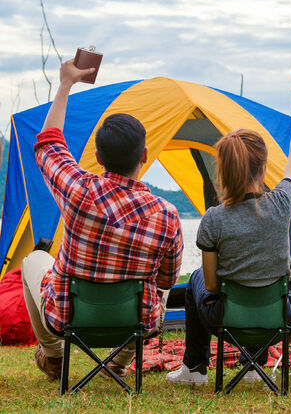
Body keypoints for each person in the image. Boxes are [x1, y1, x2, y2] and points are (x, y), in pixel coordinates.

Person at [22, 60, 183, 382]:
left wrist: (66, 84)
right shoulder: (167, 214)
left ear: (98, 158)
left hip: (68, 316)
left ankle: (54, 354)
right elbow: (165, 280)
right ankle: (119, 362)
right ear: (145, 156)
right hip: (136, 321)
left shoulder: (78, 190)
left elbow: (48, 144)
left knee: (34, 259)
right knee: (159, 286)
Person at [167, 84, 291, 386]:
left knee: (198, 277)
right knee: (258, 284)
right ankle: (253, 365)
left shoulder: (214, 219)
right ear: (264, 167)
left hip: (226, 319)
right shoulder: (282, 203)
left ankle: (195, 369)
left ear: (223, 171)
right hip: (280, 318)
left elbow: (211, 284)